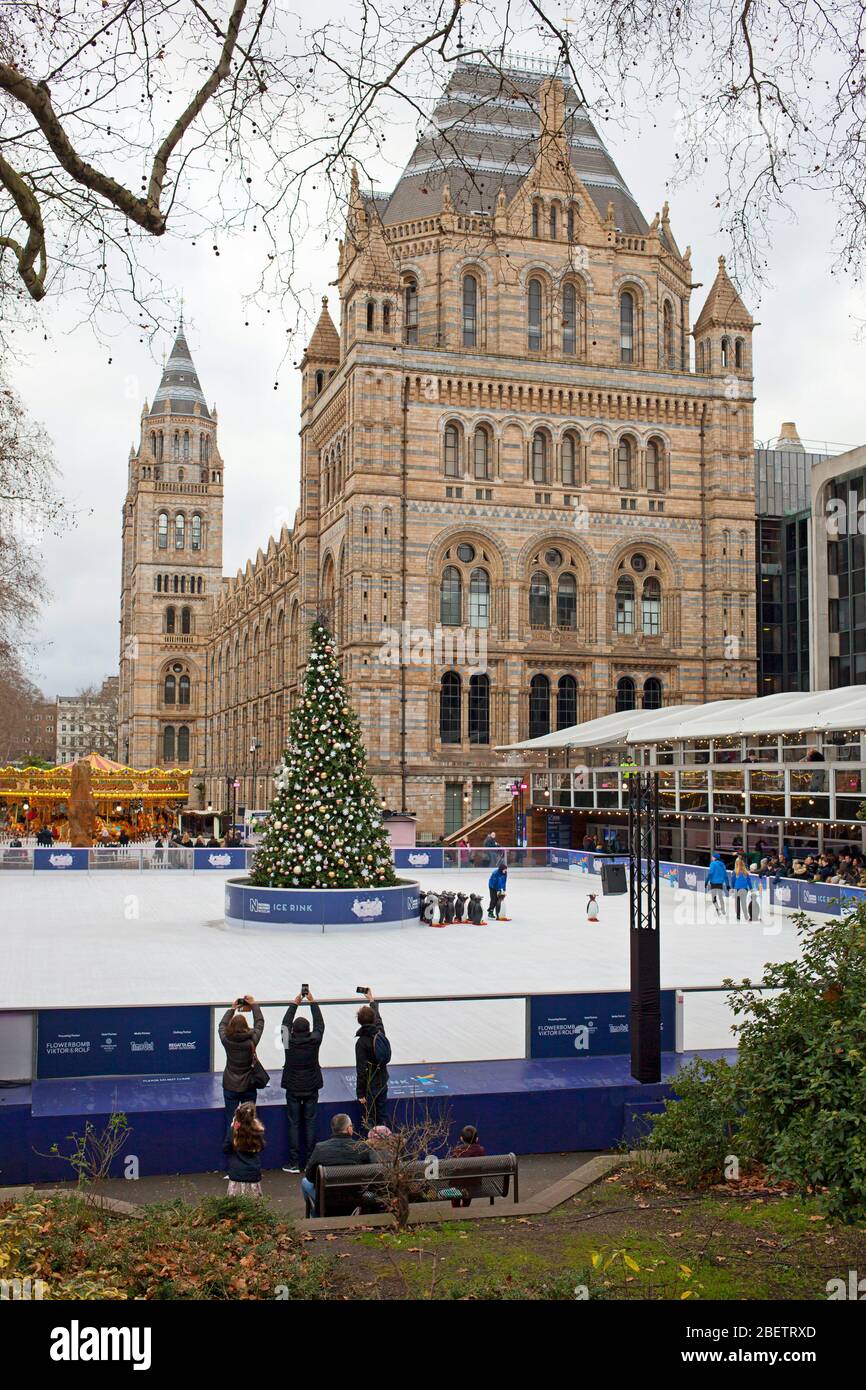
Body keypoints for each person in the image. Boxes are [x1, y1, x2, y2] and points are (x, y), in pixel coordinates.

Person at [281, 988, 325, 1174]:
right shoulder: (315, 1040)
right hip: (311, 1086)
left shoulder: (287, 1040)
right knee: (310, 1123)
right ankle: (309, 1162)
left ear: (292, 1030)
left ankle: (293, 1162)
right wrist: (312, 1002)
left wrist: (295, 1004)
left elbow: (284, 1023)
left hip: (292, 1086)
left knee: (294, 1124)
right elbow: (320, 1024)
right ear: (308, 1030)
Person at [302, 1113, 373, 1217]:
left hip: (326, 1199)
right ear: (349, 1129)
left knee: (304, 1182)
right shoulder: (362, 1148)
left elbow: (309, 1176)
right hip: (354, 1198)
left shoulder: (320, 1148)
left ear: (333, 1129)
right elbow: (369, 1174)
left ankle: (317, 1216)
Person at [218, 995, 265, 1136]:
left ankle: (230, 1144)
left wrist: (232, 1009)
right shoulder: (252, 1041)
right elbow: (260, 1023)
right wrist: (254, 1005)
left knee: (231, 1120)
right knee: (249, 1120)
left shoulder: (226, 1040)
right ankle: (249, 1146)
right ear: (245, 1027)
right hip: (248, 1086)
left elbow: (221, 1025)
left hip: (230, 1085)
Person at [355, 988, 390, 1130]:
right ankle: (385, 1145)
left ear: (359, 1021)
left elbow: (361, 1069)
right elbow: (379, 1019)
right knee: (382, 1116)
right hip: (383, 1079)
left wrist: (360, 1092)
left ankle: (371, 1147)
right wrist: (372, 1000)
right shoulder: (380, 1032)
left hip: (370, 1084)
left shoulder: (361, 1042)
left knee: (369, 1118)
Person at [223, 1101, 265, 1198]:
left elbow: (226, 1149)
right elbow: (261, 1147)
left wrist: (232, 1130)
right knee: (254, 1208)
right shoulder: (258, 1132)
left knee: (235, 1208)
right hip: (253, 1173)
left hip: (236, 1173)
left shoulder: (234, 1133)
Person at [447, 1124, 487, 1209]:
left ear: (461, 1138)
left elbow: (452, 1168)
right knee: (470, 1183)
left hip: (457, 1185)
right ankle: (465, 1206)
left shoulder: (457, 1151)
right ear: (477, 1139)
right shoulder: (481, 1150)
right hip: (474, 1185)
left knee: (456, 1183)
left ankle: (456, 1207)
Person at [705, 852, 729, 918]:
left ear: (715, 858)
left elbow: (710, 873)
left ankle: (718, 910)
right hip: (720, 883)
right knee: (720, 897)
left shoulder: (713, 864)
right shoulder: (723, 865)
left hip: (714, 884)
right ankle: (723, 910)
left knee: (714, 898)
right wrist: (727, 885)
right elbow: (725, 875)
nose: (712, 858)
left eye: (712, 857)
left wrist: (706, 882)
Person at [731, 856, 753, 920]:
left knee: (737, 903)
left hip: (737, 889)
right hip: (745, 889)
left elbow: (733, 881)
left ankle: (738, 917)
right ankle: (746, 916)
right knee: (743, 903)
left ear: (736, 863)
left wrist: (732, 888)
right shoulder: (746, 871)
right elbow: (749, 881)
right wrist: (751, 889)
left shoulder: (735, 871)